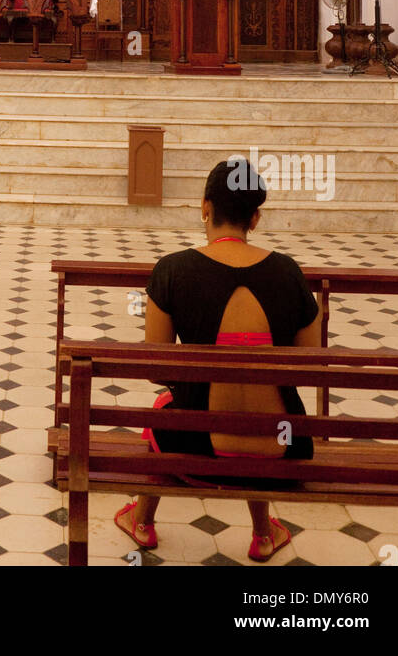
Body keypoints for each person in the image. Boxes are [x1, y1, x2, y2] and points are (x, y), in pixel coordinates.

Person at [115, 158, 321, 562]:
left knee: (165, 410)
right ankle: (263, 535)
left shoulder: (172, 271)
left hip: (196, 449)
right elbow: (308, 365)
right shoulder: (289, 273)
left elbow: (156, 368)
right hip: (283, 447)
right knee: (258, 397)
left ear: (205, 208)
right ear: (256, 218)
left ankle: (141, 521)